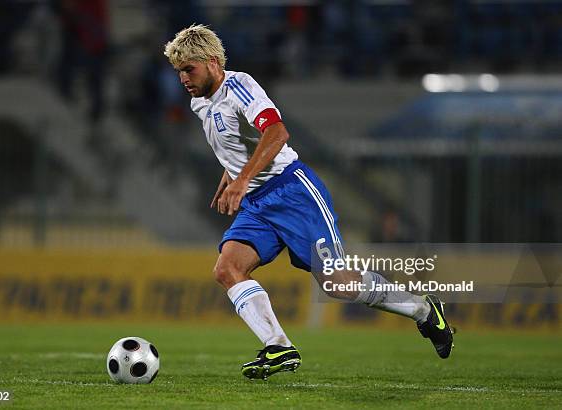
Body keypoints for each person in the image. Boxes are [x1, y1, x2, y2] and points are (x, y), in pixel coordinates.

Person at [163, 25, 454, 380]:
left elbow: (276, 133)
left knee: (339, 284)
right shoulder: (199, 102)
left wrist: (240, 179)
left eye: (188, 69)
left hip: (293, 194)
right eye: (178, 71)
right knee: (227, 269)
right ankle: (278, 346)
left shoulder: (240, 86)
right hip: (257, 203)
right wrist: (231, 175)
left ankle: (424, 310)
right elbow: (239, 142)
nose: (182, 78)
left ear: (211, 62)